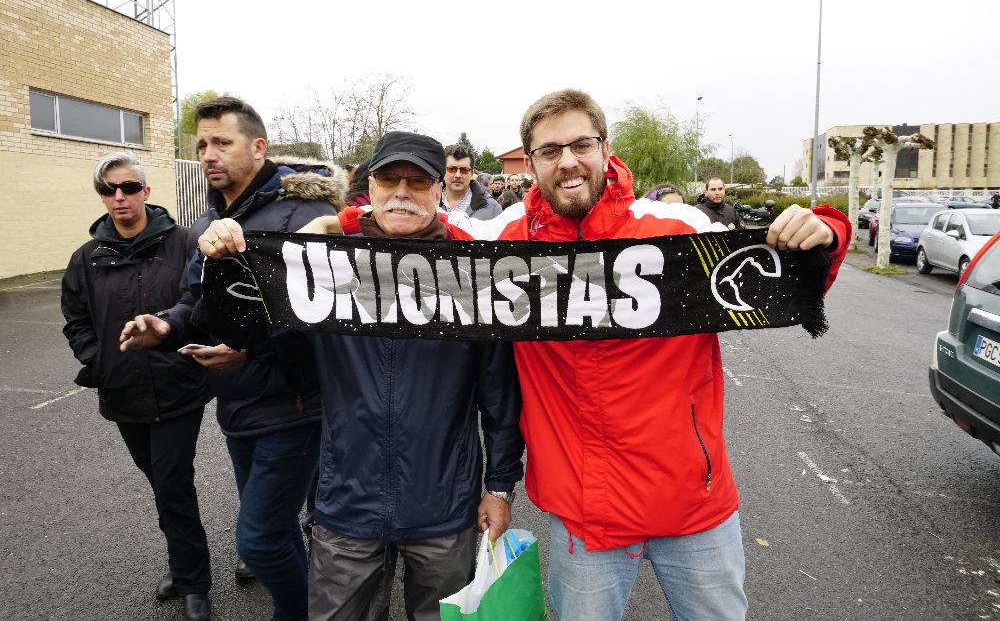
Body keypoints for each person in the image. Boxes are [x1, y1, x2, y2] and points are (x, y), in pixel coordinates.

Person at [299, 89, 850, 620]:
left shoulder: (678, 230)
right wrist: (336, 227)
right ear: (531, 164)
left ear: (605, 149)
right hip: (582, 518)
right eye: (549, 151)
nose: (568, 162)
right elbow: (411, 228)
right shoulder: (503, 242)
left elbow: (785, 274)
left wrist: (825, 228)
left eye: (581, 145)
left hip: (693, 510)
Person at [196, 131, 525, 621]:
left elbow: (500, 397)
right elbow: (262, 333)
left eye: (418, 182)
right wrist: (222, 263)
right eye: (390, 178)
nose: (402, 193)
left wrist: (499, 487)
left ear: (440, 190)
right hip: (347, 506)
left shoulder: (474, 276)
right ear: (368, 185)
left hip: (444, 508)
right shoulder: (324, 264)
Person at [119, 97, 343, 621]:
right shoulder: (209, 221)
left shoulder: (306, 215)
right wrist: (165, 327)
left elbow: (324, 319)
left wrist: (250, 347)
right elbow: (195, 302)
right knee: (277, 529)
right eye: (201, 145)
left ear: (258, 146)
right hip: (239, 404)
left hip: (296, 403)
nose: (208, 154)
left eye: (222, 142)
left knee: (260, 541)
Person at [61, 153, 213, 621]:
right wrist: (100, 361)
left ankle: (193, 581)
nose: (119, 197)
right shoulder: (87, 259)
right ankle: (183, 565)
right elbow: (77, 320)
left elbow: (201, 301)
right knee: (160, 483)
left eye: (128, 187)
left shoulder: (183, 243)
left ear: (146, 191)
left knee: (171, 483)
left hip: (177, 387)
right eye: (109, 190)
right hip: (123, 392)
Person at [440, 143, 502, 220]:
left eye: (464, 170)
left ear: (472, 173)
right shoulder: (429, 204)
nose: (458, 175)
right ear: (443, 171)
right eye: (452, 169)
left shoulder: (492, 208)